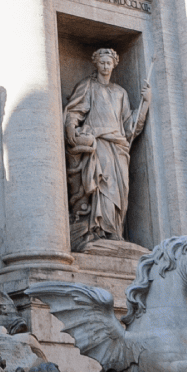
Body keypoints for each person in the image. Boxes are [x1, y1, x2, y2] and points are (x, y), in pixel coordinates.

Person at [64, 48, 151, 246]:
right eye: (102, 62)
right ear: (96, 64)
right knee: (104, 185)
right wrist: (70, 127)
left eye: (108, 63)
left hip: (119, 146)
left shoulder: (120, 93)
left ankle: (114, 230)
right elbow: (75, 111)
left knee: (119, 190)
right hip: (99, 142)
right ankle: (98, 230)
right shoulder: (88, 86)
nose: (105, 66)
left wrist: (145, 103)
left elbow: (130, 125)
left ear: (114, 65)